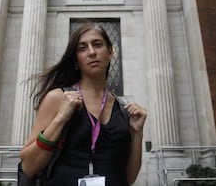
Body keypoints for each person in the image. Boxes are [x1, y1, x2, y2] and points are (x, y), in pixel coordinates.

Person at [19, 21, 147, 186]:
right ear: (75, 60)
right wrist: (60, 119)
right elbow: (29, 166)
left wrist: (137, 132)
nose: (92, 52)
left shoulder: (122, 109)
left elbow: (128, 178)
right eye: (82, 48)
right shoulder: (58, 98)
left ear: (110, 52)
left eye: (97, 44)